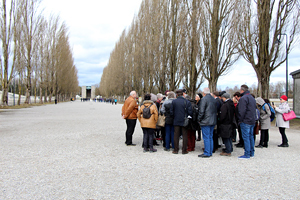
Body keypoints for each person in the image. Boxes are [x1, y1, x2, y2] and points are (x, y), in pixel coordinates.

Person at [170, 89, 193, 154]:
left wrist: (174, 117)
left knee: (176, 135)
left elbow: (171, 112)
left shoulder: (174, 102)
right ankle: (184, 150)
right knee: (185, 135)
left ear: (177, 95)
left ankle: (176, 149)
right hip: (184, 120)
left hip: (176, 120)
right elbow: (190, 112)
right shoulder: (187, 101)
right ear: (183, 94)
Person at [237, 85, 256, 159]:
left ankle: (247, 153)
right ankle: (252, 152)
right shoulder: (251, 98)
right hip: (252, 120)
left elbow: (242, 111)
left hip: (245, 120)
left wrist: (240, 120)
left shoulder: (243, 98)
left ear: (242, 90)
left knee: (246, 137)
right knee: (251, 136)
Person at [197, 88, 217, 158]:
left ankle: (207, 152)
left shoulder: (204, 99)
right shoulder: (213, 99)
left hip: (206, 121)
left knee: (206, 137)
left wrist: (199, 119)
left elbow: (201, 111)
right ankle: (210, 151)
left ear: (204, 93)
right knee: (210, 136)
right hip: (213, 120)